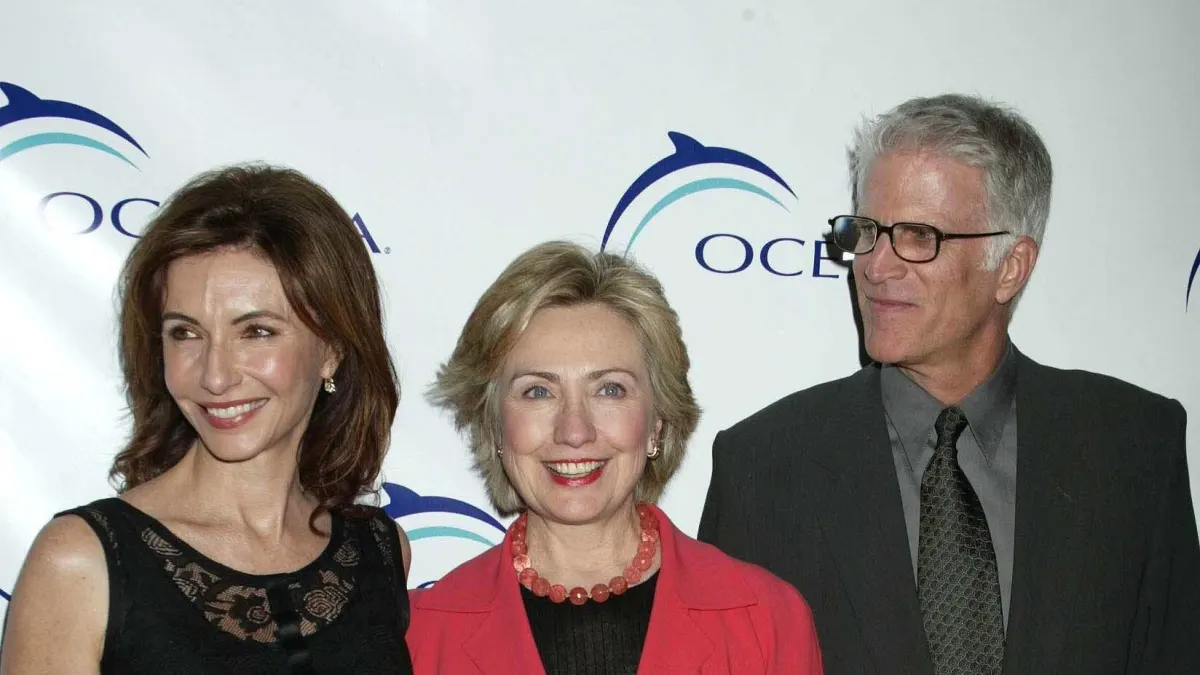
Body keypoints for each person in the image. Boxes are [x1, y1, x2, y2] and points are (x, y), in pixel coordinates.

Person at [697, 93, 1200, 674]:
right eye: (866, 231)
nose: (876, 266)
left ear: (1010, 266)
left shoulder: (1135, 445)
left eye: (918, 235)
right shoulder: (763, 462)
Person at [0, 164, 415, 674]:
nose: (215, 376)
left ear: (330, 349)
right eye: (186, 333)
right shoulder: (83, 562)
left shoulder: (378, 551)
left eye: (257, 331)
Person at [407, 241, 823, 674]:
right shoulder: (421, 637)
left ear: (657, 422)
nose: (574, 431)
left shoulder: (768, 620)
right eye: (538, 391)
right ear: (494, 424)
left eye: (609, 390)